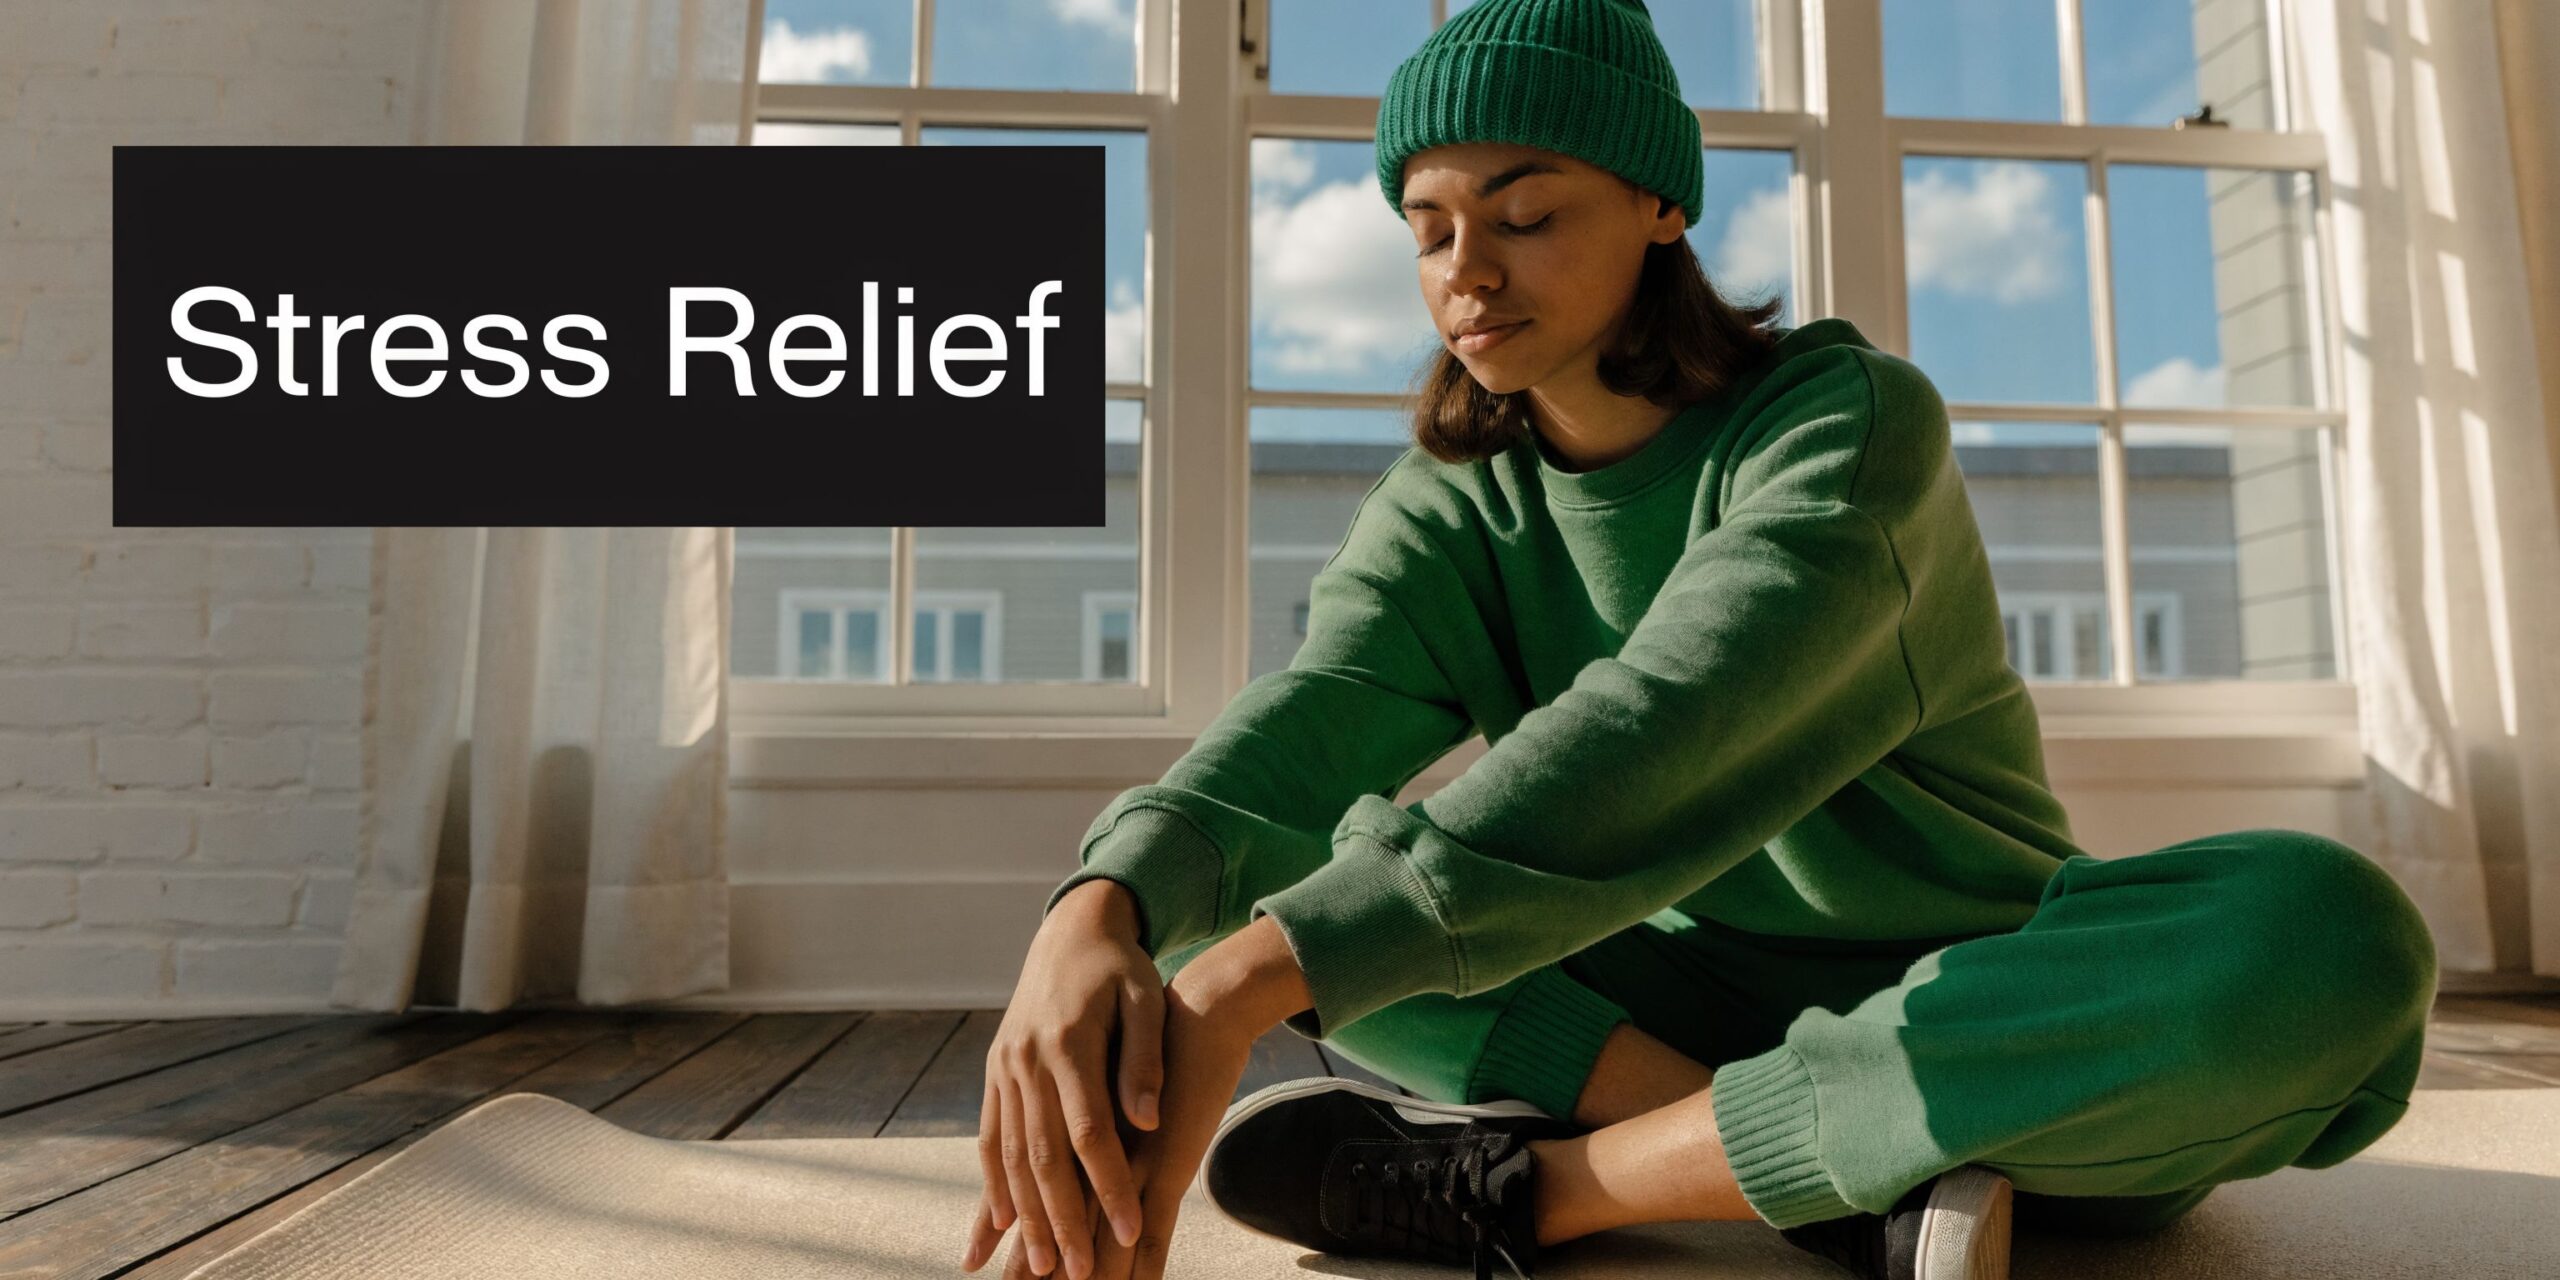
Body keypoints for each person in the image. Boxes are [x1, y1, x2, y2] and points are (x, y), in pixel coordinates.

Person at [959, 3, 2437, 1279]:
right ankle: (1816, 1182)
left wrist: (1247, 991)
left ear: (1663, 206)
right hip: (1657, 1001)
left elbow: (1669, 721)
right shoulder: (1459, 500)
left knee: (2327, 937)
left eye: (1525, 215)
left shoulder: (1846, 427)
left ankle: (1564, 1189)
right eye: (1428, 228)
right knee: (1218, 878)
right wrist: (1091, 908)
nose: (1466, 270)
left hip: (1975, 1014)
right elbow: (1314, 713)